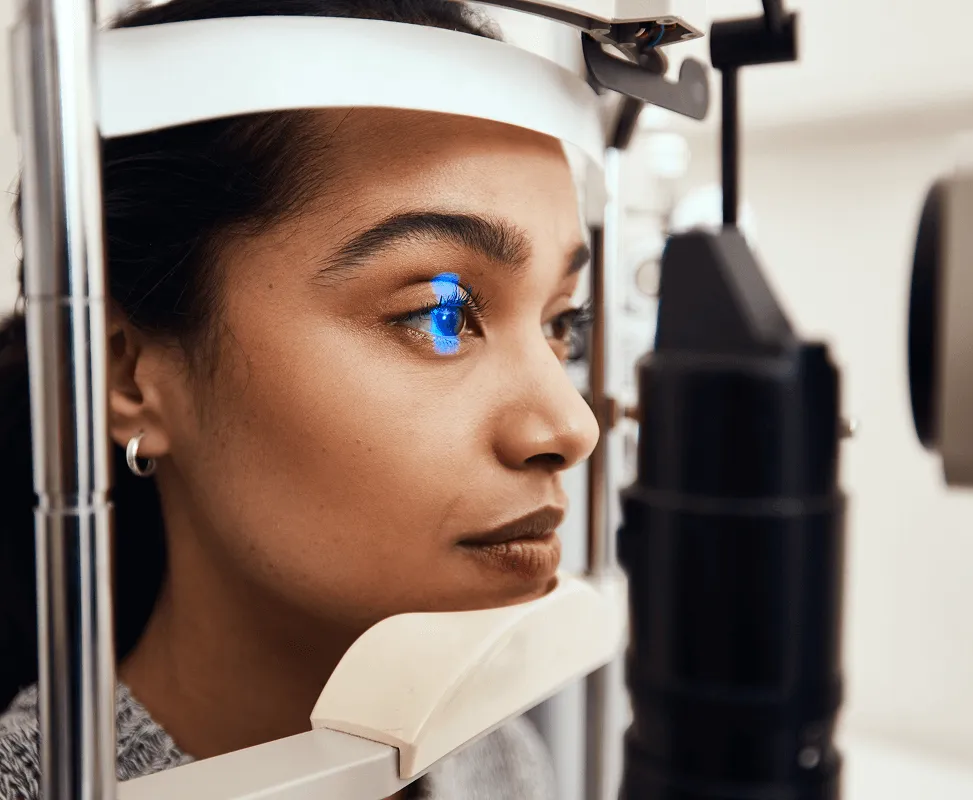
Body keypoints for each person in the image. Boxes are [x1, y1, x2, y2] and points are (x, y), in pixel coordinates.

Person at [0, 0, 600, 797]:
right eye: (441, 314)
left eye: (563, 322)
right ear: (125, 373)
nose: (571, 426)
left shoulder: (497, 761)